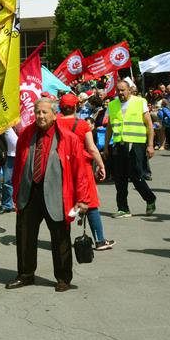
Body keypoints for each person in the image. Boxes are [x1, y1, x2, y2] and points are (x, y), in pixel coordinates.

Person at [6, 99, 91, 293]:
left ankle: (63, 278)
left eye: (44, 112)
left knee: (60, 237)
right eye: (37, 112)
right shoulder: (27, 134)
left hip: (57, 194)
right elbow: (19, 164)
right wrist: (16, 192)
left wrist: (83, 199)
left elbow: (80, 171)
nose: (40, 116)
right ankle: (25, 275)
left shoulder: (68, 138)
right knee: (25, 236)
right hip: (30, 192)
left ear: (54, 114)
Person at [57, 94, 115, 251]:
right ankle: (100, 240)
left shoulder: (54, 123)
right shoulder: (81, 124)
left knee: (64, 202)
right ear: (75, 107)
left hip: (62, 167)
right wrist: (101, 165)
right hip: (82, 167)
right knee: (91, 203)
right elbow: (92, 148)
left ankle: (62, 241)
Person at [104, 80, 157, 218]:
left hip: (136, 144)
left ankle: (150, 199)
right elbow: (109, 127)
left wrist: (150, 145)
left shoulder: (140, 102)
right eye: (118, 90)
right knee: (119, 178)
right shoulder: (112, 104)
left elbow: (149, 125)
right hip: (118, 144)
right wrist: (106, 147)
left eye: (123, 90)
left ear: (129, 90)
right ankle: (123, 208)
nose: (120, 93)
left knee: (135, 176)